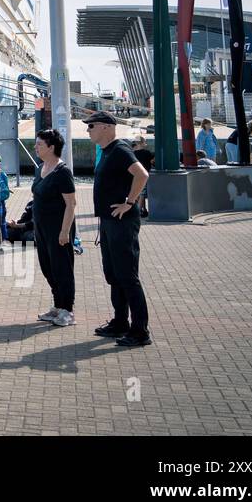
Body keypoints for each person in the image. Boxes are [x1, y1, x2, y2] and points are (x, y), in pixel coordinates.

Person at [87, 111, 152, 347]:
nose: (88, 130)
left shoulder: (120, 149)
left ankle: (140, 331)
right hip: (109, 221)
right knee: (113, 274)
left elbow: (142, 175)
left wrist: (130, 202)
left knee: (127, 276)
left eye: (91, 126)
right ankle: (120, 322)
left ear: (105, 127)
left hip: (122, 222)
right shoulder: (107, 152)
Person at [30, 129, 77, 326]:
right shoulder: (40, 168)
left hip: (59, 230)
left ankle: (68, 310)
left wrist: (65, 231)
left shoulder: (62, 172)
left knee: (62, 269)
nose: (36, 147)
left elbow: (71, 204)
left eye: (39, 144)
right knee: (48, 268)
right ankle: (57, 306)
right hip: (41, 229)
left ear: (51, 147)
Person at [132, 135, 154, 217]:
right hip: (144, 175)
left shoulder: (133, 154)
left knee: (137, 193)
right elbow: (152, 161)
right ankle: (137, 212)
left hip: (135, 175)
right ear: (142, 143)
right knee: (142, 194)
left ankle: (143, 210)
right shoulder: (147, 153)